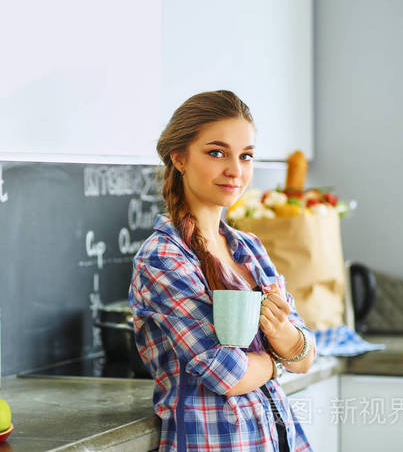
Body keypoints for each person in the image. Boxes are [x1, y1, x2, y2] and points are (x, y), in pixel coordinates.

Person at [128, 90, 316, 451]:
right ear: (180, 158)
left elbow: (306, 355)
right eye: (217, 153)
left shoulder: (249, 248)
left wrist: (282, 339)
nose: (235, 170)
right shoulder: (163, 258)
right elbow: (226, 373)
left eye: (245, 156)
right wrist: (279, 357)